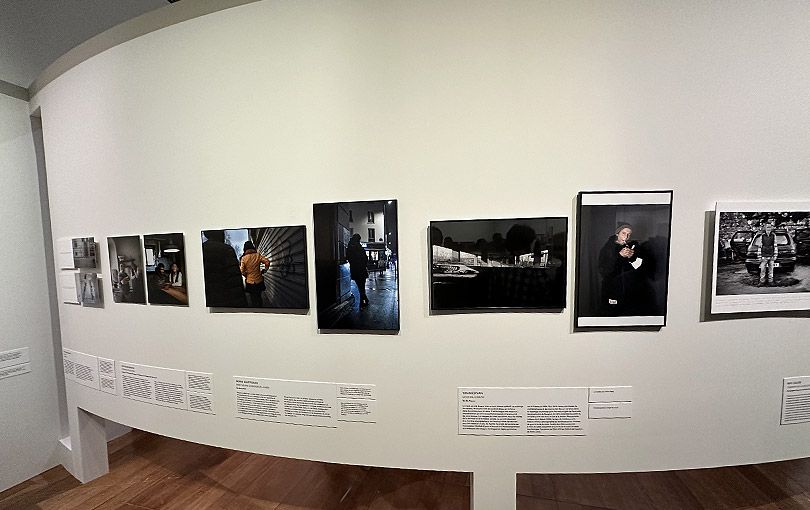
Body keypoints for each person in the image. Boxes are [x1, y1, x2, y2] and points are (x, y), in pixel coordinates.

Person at [597, 223, 654, 316]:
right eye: (623, 233)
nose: (626, 237)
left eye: (629, 234)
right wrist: (619, 256)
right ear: (617, 233)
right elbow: (605, 272)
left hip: (629, 291)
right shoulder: (607, 249)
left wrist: (632, 257)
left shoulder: (633, 247)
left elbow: (640, 269)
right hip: (612, 289)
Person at [202, 230, 248, 308]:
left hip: (207, 300)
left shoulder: (200, 249)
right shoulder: (226, 250)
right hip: (226, 300)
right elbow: (235, 282)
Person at [240, 241, 270, 307]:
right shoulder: (257, 255)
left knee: (252, 299)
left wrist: (246, 275)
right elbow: (267, 262)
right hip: (259, 281)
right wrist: (265, 270)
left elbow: (242, 270)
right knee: (259, 297)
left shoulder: (243, 258)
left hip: (250, 282)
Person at [347, 233, 369, 307]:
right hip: (361, 269)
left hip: (355, 269)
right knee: (361, 286)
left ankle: (364, 300)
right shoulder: (358, 247)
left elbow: (348, 257)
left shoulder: (350, 246)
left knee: (360, 286)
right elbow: (365, 258)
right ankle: (363, 301)